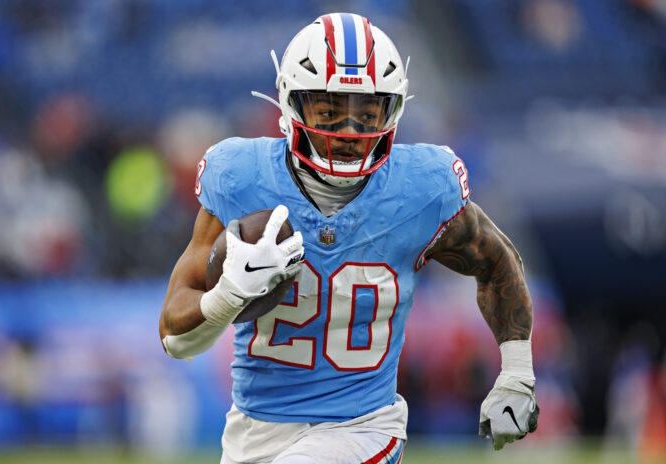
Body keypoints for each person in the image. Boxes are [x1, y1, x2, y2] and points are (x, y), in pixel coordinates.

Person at [159, 13, 539, 463]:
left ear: (391, 111)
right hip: (253, 430)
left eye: (366, 111)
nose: (350, 131)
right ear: (293, 105)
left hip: (361, 428)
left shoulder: (420, 187)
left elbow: (495, 260)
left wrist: (517, 374)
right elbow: (176, 340)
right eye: (330, 110)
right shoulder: (242, 178)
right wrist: (226, 296)